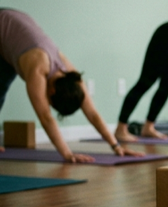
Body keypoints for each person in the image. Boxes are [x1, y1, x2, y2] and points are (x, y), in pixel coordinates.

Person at [0, 9, 142, 162]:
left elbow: (93, 113)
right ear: (52, 91)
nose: (47, 103)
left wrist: (116, 146)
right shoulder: (38, 69)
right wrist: (67, 154)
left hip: (10, 39)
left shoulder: (72, 76)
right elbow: (46, 117)